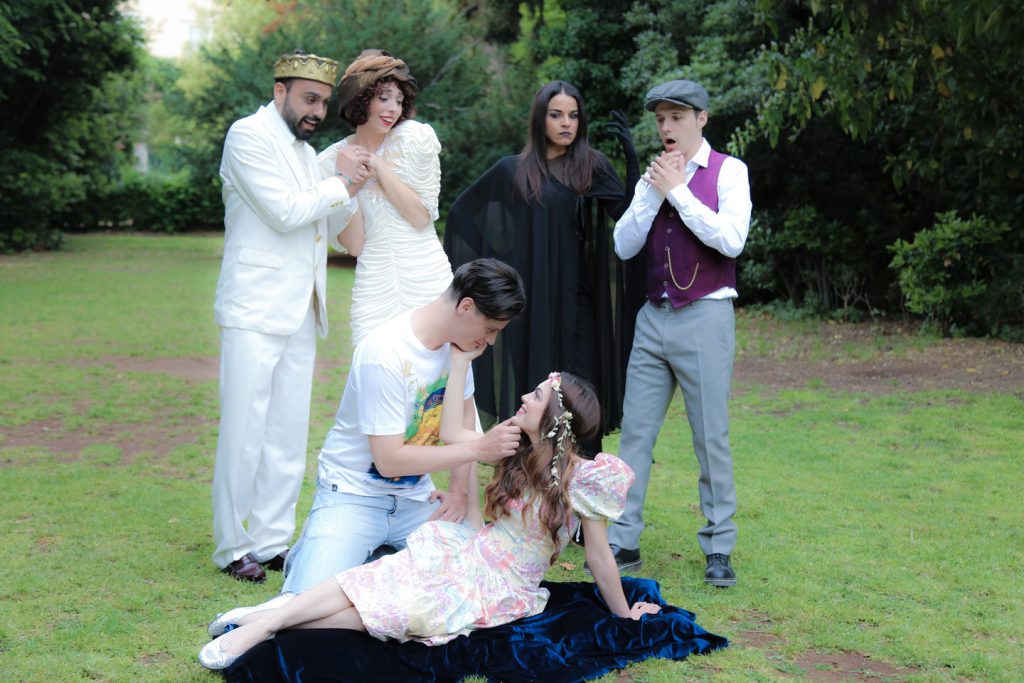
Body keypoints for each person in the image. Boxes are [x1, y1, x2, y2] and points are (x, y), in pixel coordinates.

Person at [199, 361, 662, 670]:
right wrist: (460, 362)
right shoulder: (512, 443)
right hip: (469, 550)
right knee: (380, 577)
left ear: (555, 416)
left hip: (500, 585)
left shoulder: (586, 479)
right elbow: (454, 432)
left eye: (537, 395)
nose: (525, 396)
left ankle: (267, 622)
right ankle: (265, 622)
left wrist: (623, 614)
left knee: (400, 612)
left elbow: (598, 556)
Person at [211, 50, 374, 583]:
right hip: (254, 307)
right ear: (279, 91)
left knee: (286, 431)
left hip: (303, 307)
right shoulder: (247, 136)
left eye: (323, 102)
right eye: (309, 99)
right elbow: (284, 212)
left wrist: (351, 187)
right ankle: (232, 545)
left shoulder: (305, 154)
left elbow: (326, 221)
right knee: (244, 430)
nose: (317, 111)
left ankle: (272, 540)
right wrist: (339, 181)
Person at [278, 258, 527, 595]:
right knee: (304, 602)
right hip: (353, 495)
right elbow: (389, 461)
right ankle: (327, 549)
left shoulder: (460, 351)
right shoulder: (384, 352)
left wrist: (458, 493)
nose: (491, 341)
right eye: (491, 329)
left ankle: (371, 556)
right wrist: (480, 448)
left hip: (415, 498)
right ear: (466, 307)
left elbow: (465, 422)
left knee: (476, 585)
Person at [607, 79, 752, 586]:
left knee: (710, 437)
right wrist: (653, 193)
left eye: (676, 117)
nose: (666, 127)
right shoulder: (653, 177)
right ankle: (623, 539)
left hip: (706, 317)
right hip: (653, 318)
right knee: (635, 434)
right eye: (660, 119)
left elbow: (731, 241)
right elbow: (624, 245)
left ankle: (719, 545)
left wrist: (680, 193)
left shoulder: (730, 171)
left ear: (701, 119)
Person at [444, 81, 641, 452]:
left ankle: (580, 481)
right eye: (556, 115)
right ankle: (526, 482)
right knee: (533, 395)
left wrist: (631, 163)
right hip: (528, 308)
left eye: (573, 115)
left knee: (580, 391)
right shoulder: (512, 171)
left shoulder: (590, 167)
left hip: (577, 304)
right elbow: (463, 217)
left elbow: (630, 217)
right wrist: (499, 268)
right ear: (540, 119)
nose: (566, 123)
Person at [319, 49, 452, 346]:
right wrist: (349, 182)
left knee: (436, 366)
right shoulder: (330, 161)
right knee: (374, 359)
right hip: (374, 283)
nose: (393, 108)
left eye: (399, 100)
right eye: (383, 97)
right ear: (361, 98)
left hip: (425, 275)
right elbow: (355, 245)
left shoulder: (413, 139)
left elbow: (421, 217)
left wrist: (378, 166)